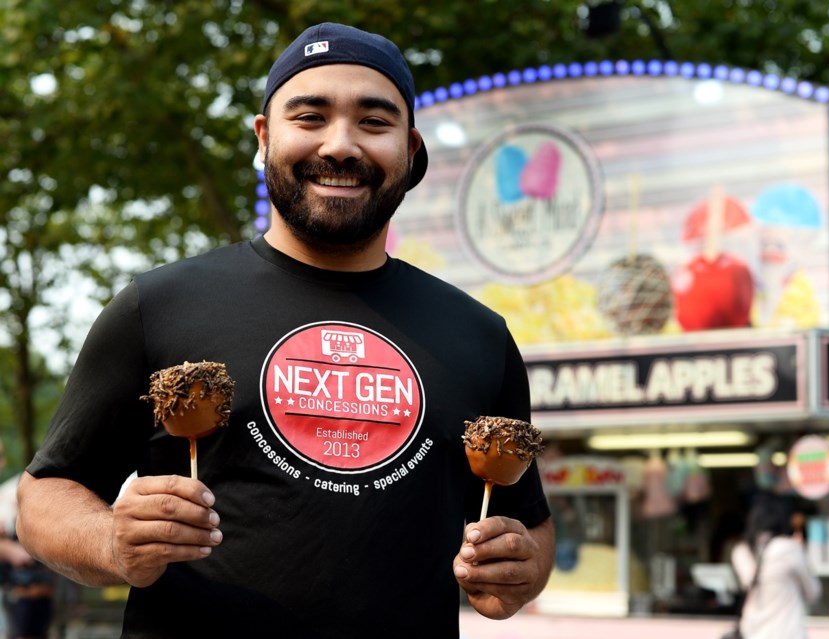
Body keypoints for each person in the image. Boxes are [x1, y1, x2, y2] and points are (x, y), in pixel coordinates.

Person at [16, 22, 554, 638]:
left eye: (374, 123)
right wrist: (111, 541)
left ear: (411, 150)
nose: (342, 145)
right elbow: (46, 493)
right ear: (265, 136)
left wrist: (523, 566)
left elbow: (526, 520)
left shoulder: (479, 335)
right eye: (310, 117)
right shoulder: (157, 305)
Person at [730, 494, 820, 639]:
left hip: (753, 632)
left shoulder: (742, 551)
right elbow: (813, 592)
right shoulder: (789, 549)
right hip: (786, 632)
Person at [0, 444, 53, 639]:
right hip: (16, 595)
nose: (2, 462)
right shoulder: (6, 500)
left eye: (1, 456)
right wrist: (9, 549)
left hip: (39, 592)